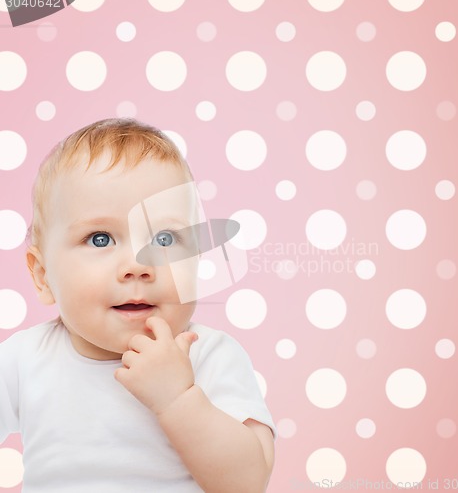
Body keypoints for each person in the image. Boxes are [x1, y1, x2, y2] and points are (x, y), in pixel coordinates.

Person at [0, 118, 275, 492]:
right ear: (43, 276)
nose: (138, 266)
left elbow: (248, 482)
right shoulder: (23, 359)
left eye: (165, 238)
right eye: (100, 239)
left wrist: (178, 399)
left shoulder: (207, 356)